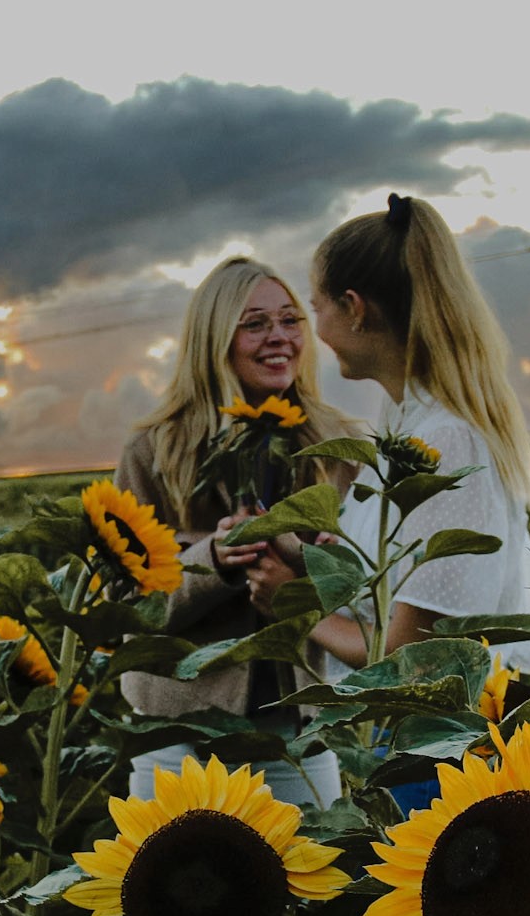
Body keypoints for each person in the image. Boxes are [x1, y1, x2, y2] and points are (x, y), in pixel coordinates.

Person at [246, 193, 530, 692]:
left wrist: (298, 607)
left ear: (354, 309)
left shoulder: (449, 444)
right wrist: (285, 544)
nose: (315, 329)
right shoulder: (409, 428)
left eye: (315, 307)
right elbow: (389, 585)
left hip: (429, 750)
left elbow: (415, 658)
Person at [115, 256, 359, 808]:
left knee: (316, 885)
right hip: (180, 737)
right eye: (254, 324)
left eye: (290, 320)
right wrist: (214, 560)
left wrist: (305, 566)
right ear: (214, 340)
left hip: (294, 735)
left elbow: (363, 588)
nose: (279, 338)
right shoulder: (155, 452)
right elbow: (128, 603)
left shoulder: (334, 447)